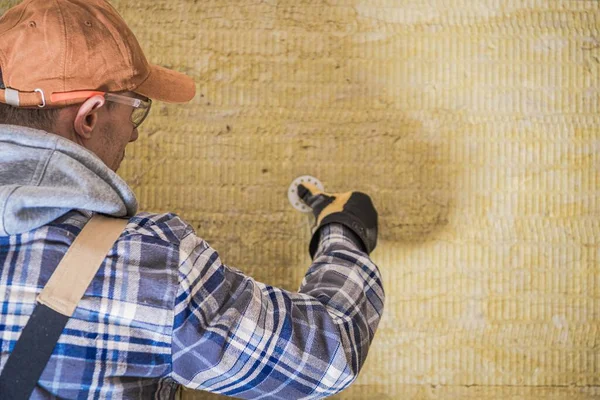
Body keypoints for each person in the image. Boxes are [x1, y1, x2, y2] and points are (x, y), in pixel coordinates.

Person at [0, 0, 385, 398]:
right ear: (90, 117)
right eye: (135, 109)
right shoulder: (149, 268)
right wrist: (344, 232)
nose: (133, 134)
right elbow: (328, 355)